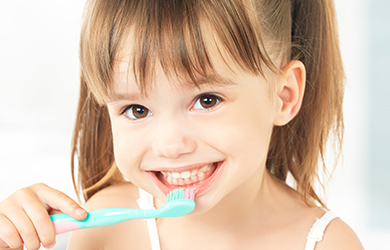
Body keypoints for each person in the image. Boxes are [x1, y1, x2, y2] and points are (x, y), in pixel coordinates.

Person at [0, 0, 364, 249]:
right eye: (137, 110)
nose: (170, 145)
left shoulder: (326, 243)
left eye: (207, 101)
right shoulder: (108, 232)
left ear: (283, 96)